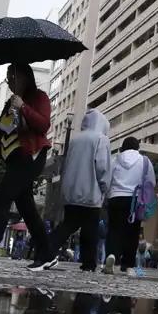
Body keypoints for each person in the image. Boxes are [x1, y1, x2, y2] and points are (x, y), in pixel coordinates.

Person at [0, 63, 54, 272]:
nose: (9, 81)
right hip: (14, 159)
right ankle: (48, 254)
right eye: (7, 77)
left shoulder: (39, 98)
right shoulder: (9, 104)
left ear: (24, 77)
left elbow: (43, 125)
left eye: (12, 76)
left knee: (3, 197)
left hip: (32, 156)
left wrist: (23, 106)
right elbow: (1, 133)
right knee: (27, 208)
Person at [49, 109, 111, 272]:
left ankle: (45, 251)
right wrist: (105, 188)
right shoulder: (101, 139)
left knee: (67, 225)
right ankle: (88, 263)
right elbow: (102, 166)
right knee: (90, 229)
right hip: (91, 192)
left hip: (72, 191)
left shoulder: (76, 140)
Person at [107, 136, 156, 273]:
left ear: (123, 147)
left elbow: (107, 180)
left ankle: (111, 256)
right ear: (137, 147)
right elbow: (151, 182)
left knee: (114, 230)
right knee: (133, 232)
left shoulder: (115, 160)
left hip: (116, 198)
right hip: (135, 201)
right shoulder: (144, 161)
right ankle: (128, 264)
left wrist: (108, 195)